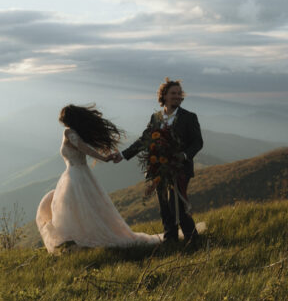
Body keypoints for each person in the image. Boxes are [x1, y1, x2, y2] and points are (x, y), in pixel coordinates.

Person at [35, 104, 160, 253]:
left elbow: (84, 148)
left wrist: (103, 158)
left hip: (75, 176)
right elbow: (83, 148)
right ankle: (79, 238)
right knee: (82, 208)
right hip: (79, 174)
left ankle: (81, 238)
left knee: (74, 208)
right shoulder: (74, 132)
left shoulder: (69, 132)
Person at [116, 79, 203, 244]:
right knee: (164, 205)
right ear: (164, 95)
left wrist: (183, 156)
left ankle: (192, 238)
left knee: (176, 202)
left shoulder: (189, 117)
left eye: (179, 93)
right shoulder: (155, 117)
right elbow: (145, 140)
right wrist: (123, 154)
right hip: (158, 167)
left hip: (180, 168)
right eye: (173, 93)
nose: (177, 96)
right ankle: (170, 238)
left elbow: (197, 143)